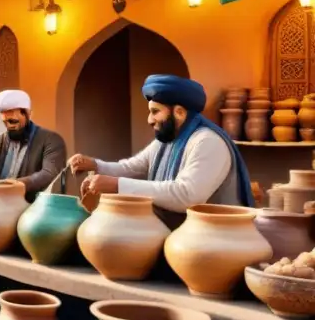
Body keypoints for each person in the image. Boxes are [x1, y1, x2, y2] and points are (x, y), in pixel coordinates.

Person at [70, 74, 255, 229]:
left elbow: (187, 195)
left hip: (215, 241)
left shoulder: (208, 142)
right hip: (182, 239)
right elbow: (132, 168)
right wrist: (94, 165)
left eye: (155, 111)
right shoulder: (167, 141)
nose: (150, 120)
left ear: (180, 112)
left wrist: (117, 185)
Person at [0, 89, 68, 202]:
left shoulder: (51, 140)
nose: (9, 126)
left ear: (28, 114)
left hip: (32, 207)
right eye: (5, 122)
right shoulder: (1, 141)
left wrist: (13, 184)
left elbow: (50, 174)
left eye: (13, 121)